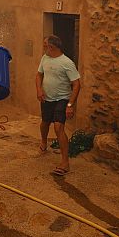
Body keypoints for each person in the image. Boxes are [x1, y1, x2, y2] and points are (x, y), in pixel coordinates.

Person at [35, 35, 81, 177]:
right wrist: (39, 90)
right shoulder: (45, 58)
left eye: (45, 45)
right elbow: (38, 75)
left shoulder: (67, 63)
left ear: (52, 47)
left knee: (58, 127)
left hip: (62, 99)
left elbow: (77, 84)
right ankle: (43, 142)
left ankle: (65, 162)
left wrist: (69, 105)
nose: (43, 47)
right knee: (44, 123)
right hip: (47, 98)